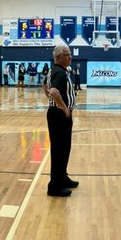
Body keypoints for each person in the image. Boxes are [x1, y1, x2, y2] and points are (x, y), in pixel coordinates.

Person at [44, 43, 77, 197]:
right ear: (58, 57)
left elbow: (44, 86)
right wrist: (64, 108)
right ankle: (54, 186)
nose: (70, 57)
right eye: (67, 54)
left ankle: (62, 178)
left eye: (70, 54)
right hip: (59, 115)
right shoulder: (60, 73)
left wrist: (51, 101)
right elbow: (53, 90)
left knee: (64, 149)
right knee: (59, 151)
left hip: (57, 113)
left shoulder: (54, 70)